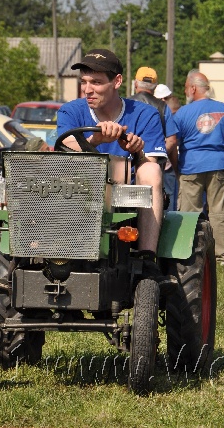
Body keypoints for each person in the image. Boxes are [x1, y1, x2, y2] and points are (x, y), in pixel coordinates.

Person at [55, 49, 173, 288]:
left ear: (116, 82)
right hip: (76, 192)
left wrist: (137, 151)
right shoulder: (70, 111)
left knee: (151, 171)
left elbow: (152, 165)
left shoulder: (145, 114)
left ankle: (147, 259)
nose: (88, 89)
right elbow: (64, 149)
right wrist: (96, 140)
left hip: (124, 197)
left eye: (97, 83)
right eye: (84, 82)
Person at [168, 69, 224, 264]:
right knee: (221, 212)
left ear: (192, 88)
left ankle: (187, 255)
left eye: (185, 87)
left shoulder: (182, 112)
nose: (185, 91)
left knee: (188, 213)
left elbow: (172, 143)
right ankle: (222, 256)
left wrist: (177, 167)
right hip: (219, 164)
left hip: (190, 166)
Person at [128, 66, 177, 210]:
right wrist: (156, 156)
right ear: (155, 86)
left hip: (126, 169)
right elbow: (172, 140)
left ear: (135, 83)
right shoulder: (162, 107)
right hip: (154, 170)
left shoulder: (124, 104)